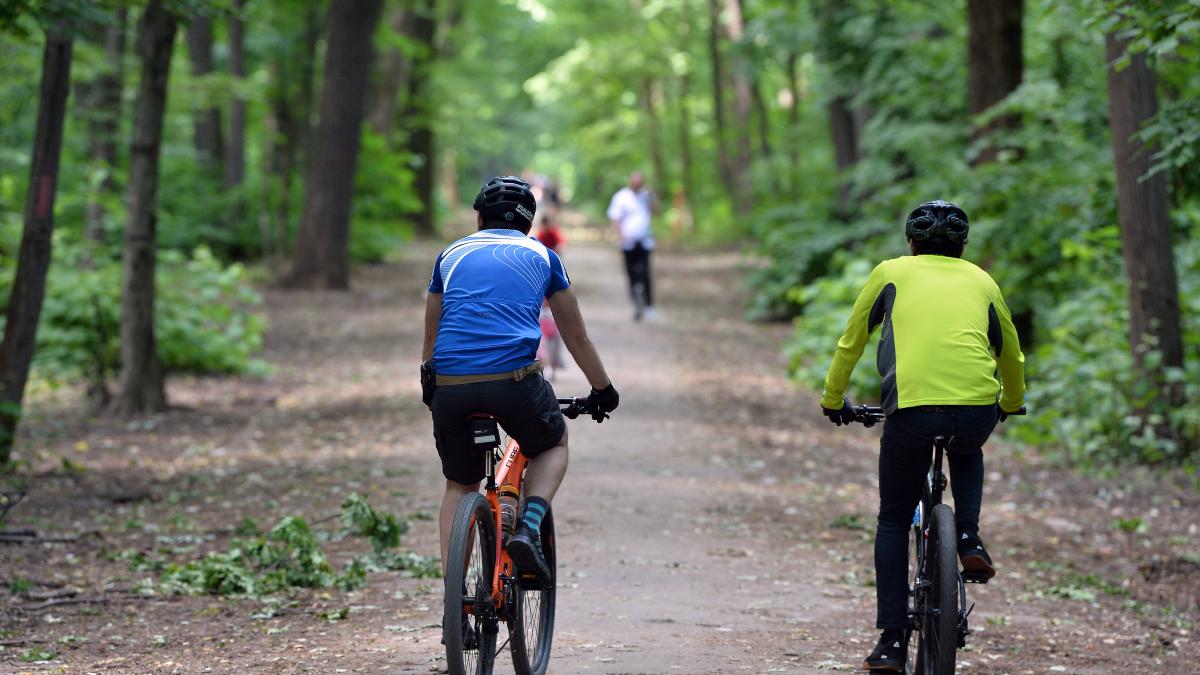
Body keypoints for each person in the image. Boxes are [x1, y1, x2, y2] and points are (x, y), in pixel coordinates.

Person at [817, 200, 1026, 672]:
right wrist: (1011, 402)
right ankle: (969, 538)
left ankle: (891, 642)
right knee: (968, 446)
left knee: (893, 518)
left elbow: (852, 340)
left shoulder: (891, 273)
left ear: (911, 244)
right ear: (962, 246)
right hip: (976, 408)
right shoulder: (982, 280)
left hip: (911, 411)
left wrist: (834, 398)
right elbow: (1010, 354)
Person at [421, 176, 619, 613]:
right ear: (529, 223)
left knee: (460, 483)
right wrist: (602, 389)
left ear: (478, 217)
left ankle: (457, 595)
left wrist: (430, 381)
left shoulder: (449, 255)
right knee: (553, 443)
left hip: (451, 386)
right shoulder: (542, 256)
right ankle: (528, 526)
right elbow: (575, 335)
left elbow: (432, 330)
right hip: (514, 382)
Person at [607, 171, 657, 321]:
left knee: (645, 273)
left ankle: (649, 305)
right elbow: (614, 218)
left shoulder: (647, 196)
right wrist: (621, 235)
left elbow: (656, 211)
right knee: (632, 274)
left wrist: (652, 196)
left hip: (645, 241)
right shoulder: (621, 197)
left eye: (640, 182)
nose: (637, 185)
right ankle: (636, 304)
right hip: (628, 243)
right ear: (630, 181)